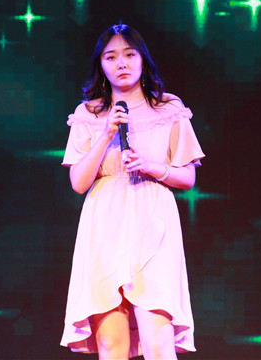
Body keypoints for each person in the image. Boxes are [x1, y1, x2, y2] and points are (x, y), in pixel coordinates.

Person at [60, 23, 205, 360]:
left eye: (129, 54)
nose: (121, 63)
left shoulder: (168, 108)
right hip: (104, 224)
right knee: (111, 344)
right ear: (101, 64)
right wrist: (106, 132)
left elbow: (187, 177)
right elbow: (79, 182)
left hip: (153, 219)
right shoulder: (88, 113)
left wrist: (152, 167)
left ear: (142, 59)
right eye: (111, 57)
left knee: (158, 341)